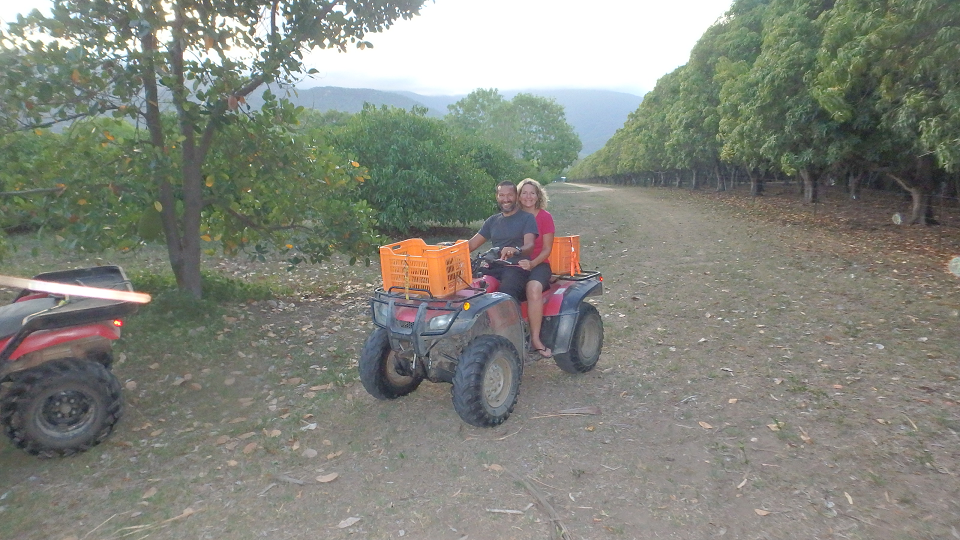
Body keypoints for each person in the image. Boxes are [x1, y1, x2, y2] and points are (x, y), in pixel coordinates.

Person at [467, 180, 538, 303]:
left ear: (516, 196)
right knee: (470, 287)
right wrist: (449, 248)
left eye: (510, 195)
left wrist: (516, 250)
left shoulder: (527, 218)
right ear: (497, 197)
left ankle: (511, 315)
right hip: (494, 267)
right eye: (502, 195)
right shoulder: (492, 221)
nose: (506, 199)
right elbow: (471, 245)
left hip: (516, 268)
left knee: (505, 294)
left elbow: (530, 245)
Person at [516, 178, 554, 358]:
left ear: (538, 196)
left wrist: (532, 264)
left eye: (532, 193)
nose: (528, 196)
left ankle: (536, 339)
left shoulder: (545, 217)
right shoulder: (514, 216)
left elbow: (547, 249)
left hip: (539, 264)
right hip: (516, 263)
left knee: (533, 288)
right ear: (518, 196)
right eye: (524, 192)